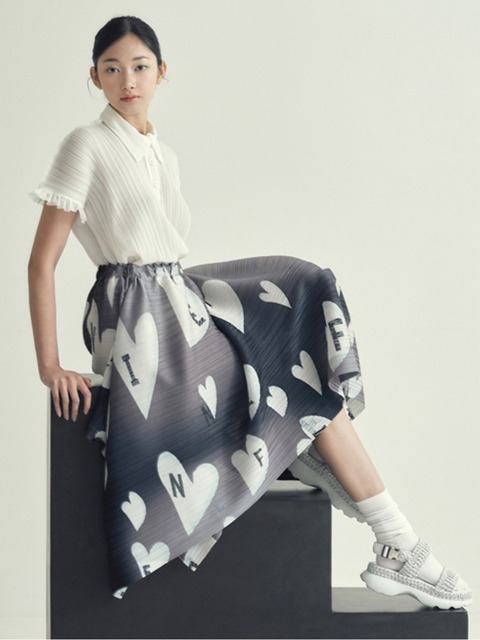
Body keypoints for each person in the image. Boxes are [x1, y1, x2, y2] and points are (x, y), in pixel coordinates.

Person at [28, 15, 472, 608]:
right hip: (137, 317)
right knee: (297, 378)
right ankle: (399, 542)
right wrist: (50, 365)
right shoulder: (85, 144)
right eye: (112, 69)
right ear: (94, 78)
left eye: (139, 67)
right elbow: (42, 262)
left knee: (303, 287)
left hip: (174, 297)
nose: (127, 81)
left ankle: (392, 536)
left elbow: (168, 257)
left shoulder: (161, 153)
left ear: (161, 72)